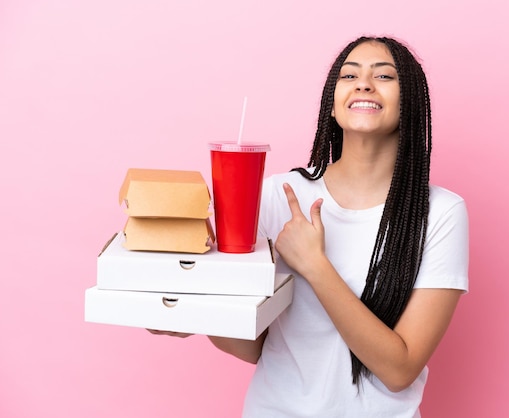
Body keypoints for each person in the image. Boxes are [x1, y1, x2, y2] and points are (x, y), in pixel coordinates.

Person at [153, 35, 469, 417]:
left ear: (411, 103)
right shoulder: (274, 196)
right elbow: (258, 346)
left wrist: (315, 266)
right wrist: (195, 314)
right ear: (332, 104)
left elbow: (399, 370)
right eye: (349, 75)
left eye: (384, 76)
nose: (363, 83)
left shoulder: (440, 213)